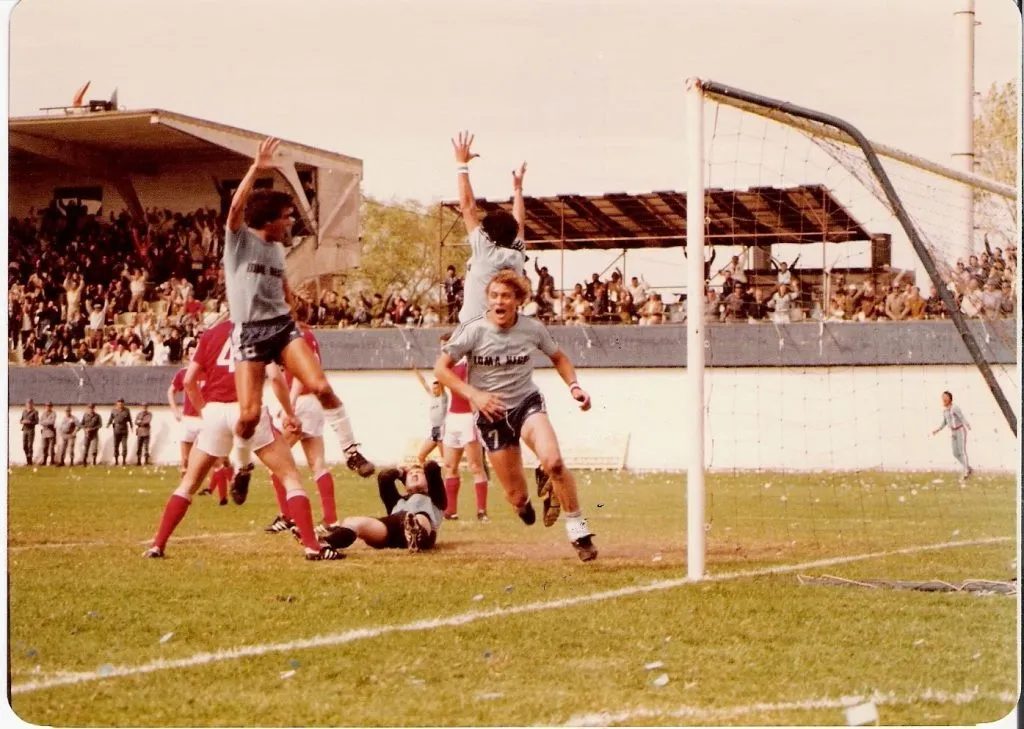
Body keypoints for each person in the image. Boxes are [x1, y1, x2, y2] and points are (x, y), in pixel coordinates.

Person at [221, 137, 373, 491]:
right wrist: (256, 168)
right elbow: (234, 210)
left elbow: (282, 288)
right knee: (248, 415)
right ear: (269, 220)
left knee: (321, 386)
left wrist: (293, 302)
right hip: (249, 332)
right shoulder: (241, 241)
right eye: (287, 217)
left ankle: (351, 449)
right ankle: (241, 465)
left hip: (282, 327)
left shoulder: (276, 250)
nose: (291, 222)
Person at [143, 320, 344, 561]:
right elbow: (276, 378)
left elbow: (189, 381)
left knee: (189, 483)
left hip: (216, 412)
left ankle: (157, 545)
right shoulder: (259, 331)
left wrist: (204, 411)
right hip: (248, 409)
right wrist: (289, 413)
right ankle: (312, 547)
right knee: (290, 477)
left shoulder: (211, 334)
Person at [434, 270, 598, 562]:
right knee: (516, 497)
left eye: (506, 296)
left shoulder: (532, 328)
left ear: (518, 301)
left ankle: (578, 529)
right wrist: (475, 395)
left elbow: (559, 356)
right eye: (494, 295)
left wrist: (574, 387)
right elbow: (440, 369)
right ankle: (524, 503)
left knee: (555, 462)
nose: (499, 301)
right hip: (492, 414)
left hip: (526, 403)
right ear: (488, 299)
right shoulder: (472, 330)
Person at [263, 312, 341, 536]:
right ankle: (331, 520)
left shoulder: (294, 337)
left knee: (275, 462)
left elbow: (299, 373)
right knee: (317, 464)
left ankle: (288, 516)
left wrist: (292, 404)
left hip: (303, 402)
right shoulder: (309, 335)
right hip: (314, 403)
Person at [324, 461, 446, 553]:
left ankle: (415, 533)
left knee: (419, 517)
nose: (414, 475)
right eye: (411, 474)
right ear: (404, 481)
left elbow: (432, 467)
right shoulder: (395, 501)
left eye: (419, 473)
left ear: (428, 479)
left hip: (424, 529)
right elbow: (384, 477)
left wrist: (419, 466)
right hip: (391, 531)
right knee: (352, 522)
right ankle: (326, 543)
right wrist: (400, 472)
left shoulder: (436, 498)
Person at [437, 332, 491, 522]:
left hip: (468, 418)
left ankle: (481, 511)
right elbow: (439, 394)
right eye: (441, 345)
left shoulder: (469, 366)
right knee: (450, 465)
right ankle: (451, 510)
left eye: (447, 344)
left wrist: (479, 419)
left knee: (476, 465)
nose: (443, 349)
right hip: (452, 418)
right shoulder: (444, 369)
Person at [931, 391, 972, 481]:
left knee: (961, 451)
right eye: (943, 397)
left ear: (950, 398)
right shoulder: (945, 410)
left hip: (960, 430)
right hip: (953, 432)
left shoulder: (955, 408)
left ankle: (966, 471)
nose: (944, 399)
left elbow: (961, 417)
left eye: (945, 397)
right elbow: (945, 422)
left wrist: (967, 424)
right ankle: (968, 467)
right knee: (955, 453)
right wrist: (938, 430)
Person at [412, 364, 448, 466]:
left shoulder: (443, 397)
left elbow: (442, 382)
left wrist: (441, 368)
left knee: (446, 460)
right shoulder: (432, 397)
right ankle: (429, 474)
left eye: (436, 388)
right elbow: (424, 383)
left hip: (442, 430)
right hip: (434, 431)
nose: (434, 390)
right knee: (421, 456)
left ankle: (448, 478)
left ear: (440, 389)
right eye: (433, 388)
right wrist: (415, 370)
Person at [107, 399, 133, 466]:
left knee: (124, 446)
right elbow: (111, 418)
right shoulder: (113, 410)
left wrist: (132, 427)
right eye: (119, 403)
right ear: (117, 404)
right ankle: (116, 461)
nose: (120, 405)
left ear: (123, 404)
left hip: (124, 430)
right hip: (116, 430)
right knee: (116, 446)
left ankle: (124, 461)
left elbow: (130, 419)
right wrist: (108, 424)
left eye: (121, 403)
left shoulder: (127, 410)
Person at [19, 399, 38, 465]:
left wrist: (30, 422)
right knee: (24, 446)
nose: (29, 405)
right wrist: (23, 421)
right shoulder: (24, 411)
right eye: (28, 403)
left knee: (30, 445)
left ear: (32, 404)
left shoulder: (35, 412)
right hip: (25, 430)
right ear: (26, 404)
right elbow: (20, 420)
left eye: (30, 403)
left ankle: (30, 461)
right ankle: (27, 458)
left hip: (31, 430)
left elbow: (36, 421)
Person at [38, 402, 57, 466]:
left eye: (49, 406)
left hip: (51, 432)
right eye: (46, 406)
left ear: (51, 407)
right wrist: (46, 422)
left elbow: (52, 422)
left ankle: (52, 461)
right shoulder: (43, 413)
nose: (48, 407)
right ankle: (44, 461)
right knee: (44, 447)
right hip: (44, 433)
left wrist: (45, 422)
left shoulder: (53, 413)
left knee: (51, 448)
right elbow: (40, 422)